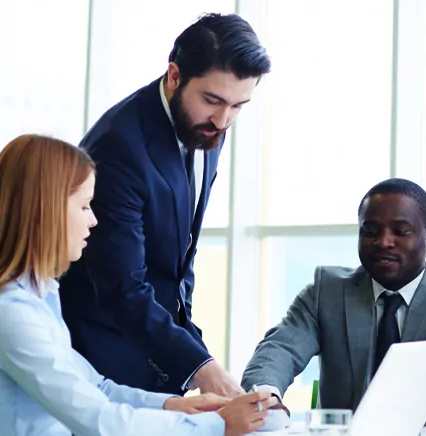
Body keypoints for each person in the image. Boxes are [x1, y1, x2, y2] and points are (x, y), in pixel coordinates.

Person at [0, 134, 277, 436]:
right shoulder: (12, 314)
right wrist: (217, 425)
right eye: (84, 206)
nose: (93, 220)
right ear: (46, 211)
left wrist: (174, 406)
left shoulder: (40, 295)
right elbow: (97, 420)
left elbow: (97, 387)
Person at [59, 13, 272, 397]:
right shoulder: (118, 148)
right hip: (103, 352)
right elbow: (122, 287)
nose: (223, 120)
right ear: (174, 75)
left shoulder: (207, 126)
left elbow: (176, 259)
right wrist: (203, 370)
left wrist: (197, 357)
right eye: (213, 100)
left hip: (160, 348)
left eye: (239, 106)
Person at [242, 179, 426, 424]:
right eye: (370, 231)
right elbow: (280, 348)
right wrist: (267, 395)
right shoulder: (326, 292)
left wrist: (420, 413)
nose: (384, 242)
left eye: (400, 231)